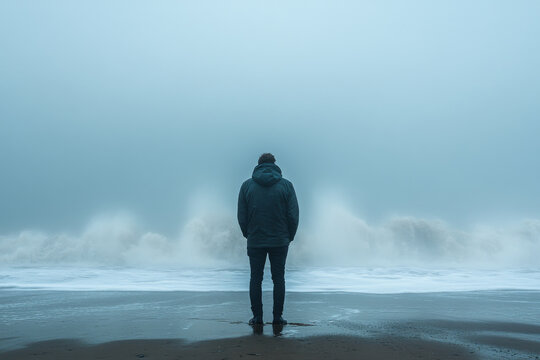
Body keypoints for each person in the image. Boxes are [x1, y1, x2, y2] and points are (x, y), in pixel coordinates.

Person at [237, 153, 299, 326]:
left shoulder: (246, 186)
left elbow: (242, 216)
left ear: (258, 165)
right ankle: (277, 318)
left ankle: (257, 318)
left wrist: (248, 234)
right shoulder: (286, 186)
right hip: (280, 240)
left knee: (255, 278)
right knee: (278, 278)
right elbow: (293, 215)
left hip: (255, 239)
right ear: (274, 164)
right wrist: (289, 236)